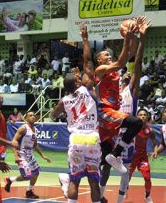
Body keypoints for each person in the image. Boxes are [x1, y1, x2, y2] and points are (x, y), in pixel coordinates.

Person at [51, 23, 101, 203]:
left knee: (75, 179)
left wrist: (62, 113)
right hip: (92, 138)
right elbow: (88, 61)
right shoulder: (87, 89)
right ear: (79, 83)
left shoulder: (64, 100)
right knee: (94, 181)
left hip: (76, 139)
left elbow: (52, 115)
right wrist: (85, 38)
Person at [94, 17, 150, 175]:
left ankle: (112, 158)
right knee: (136, 123)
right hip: (105, 111)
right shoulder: (100, 71)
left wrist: (136, 36)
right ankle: (115, 155)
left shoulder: (114, 72)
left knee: (103, 159)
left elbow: (129, 55)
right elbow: (120, 62)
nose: (108, 55)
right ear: (99, 60)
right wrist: (127, 38)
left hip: (111, 113)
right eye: (105, 54)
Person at [114, 18, 150, 203]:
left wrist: (140, 39)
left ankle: (120, 200)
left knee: (125, 172)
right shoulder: (113, 93)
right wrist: (128, 40)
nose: (125, 75)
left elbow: (136, 64)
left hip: (127, 138)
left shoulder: (131, 91)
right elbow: (123, 62)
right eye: (122, 75)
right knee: (101, 166)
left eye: (127, 75)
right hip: (111, 133)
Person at [4, 111, 51, 199]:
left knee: (36, 173)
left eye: (34, 115)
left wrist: (43, 156)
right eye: (30, 115)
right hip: (21, 155)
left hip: (30, 156)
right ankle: (10, 180)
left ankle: (29, 191)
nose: (33, 116)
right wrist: (16, 156)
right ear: (26, 118)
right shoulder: (23, 128)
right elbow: (13, 141)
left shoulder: (35, 130)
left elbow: (35, 145)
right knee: (27, 176)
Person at [128, 109, 158, 203]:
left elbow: (155, 144)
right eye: (140, 114)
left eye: (144, 115)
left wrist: (155, 151)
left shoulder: (150, 130)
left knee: (147, 178)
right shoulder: (131, 128)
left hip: (142, 158)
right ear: (137, 116)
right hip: (131, 157)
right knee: (127, 177)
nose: (142, 116)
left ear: (147, 117)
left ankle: (147, 196)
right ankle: (124, 189)